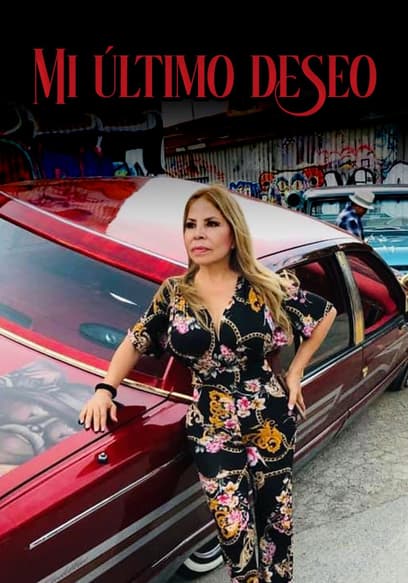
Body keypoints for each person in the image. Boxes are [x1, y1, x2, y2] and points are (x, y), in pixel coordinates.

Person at [79, 184, 337, 583]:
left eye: (211, 224)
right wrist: (105, 389)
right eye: (190, 225)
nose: (198, 234)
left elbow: (324, 315)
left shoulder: (264, 284)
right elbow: (135, 341)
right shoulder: (174, 293)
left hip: (269, 415)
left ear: (233, 232)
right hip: (210, 427)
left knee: (276, 519)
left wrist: (295, 371)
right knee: (233, 530)